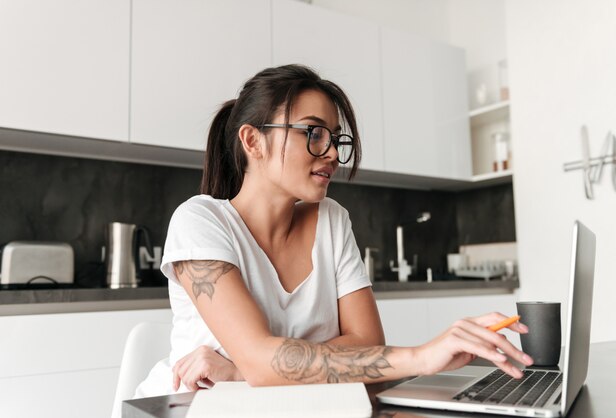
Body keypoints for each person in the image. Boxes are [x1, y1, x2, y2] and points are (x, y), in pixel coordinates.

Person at [134, 64, 532, 397]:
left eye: (335, 137)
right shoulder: (200, 221)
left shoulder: (332, 219)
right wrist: (421, 356)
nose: (333, 153)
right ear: (253, 141)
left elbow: (367, 345)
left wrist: (245, 369)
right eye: (313, 133)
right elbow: (262, 359)